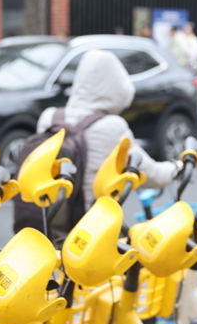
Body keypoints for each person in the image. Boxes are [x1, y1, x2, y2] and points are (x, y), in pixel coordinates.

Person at [35, 50, 180, 209]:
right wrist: (179, 167)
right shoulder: (112, 127)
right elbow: (152, 175)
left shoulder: (49, 118)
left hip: (46, 216)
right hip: (93, 220)